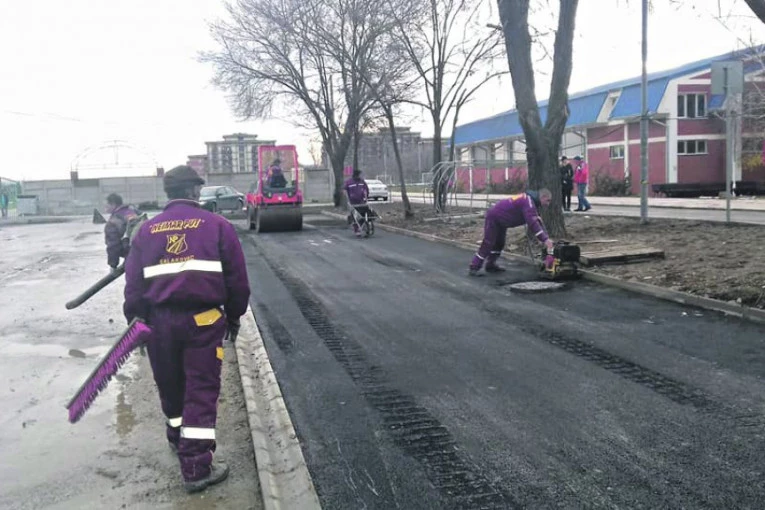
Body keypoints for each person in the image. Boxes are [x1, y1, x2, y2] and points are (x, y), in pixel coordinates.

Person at [123, 165, 251, 494]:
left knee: (170, 384)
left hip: (157, 323)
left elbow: (133, 286)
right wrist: (234, 316)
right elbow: (237, 280)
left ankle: (177, 438)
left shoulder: (146, 231)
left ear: (168, 192)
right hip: (203, 322)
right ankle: (195, 467)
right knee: (201, 391)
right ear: (195, 191)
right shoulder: (217, 226)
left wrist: (135, 320)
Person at [468, 189, 555, 276]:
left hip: (501, 220)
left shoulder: (530, 201)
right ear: (542, 197)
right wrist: (545, 239)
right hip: (494, 217)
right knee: (488, 243)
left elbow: (535, 220)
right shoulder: (528, 202)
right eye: (548, 200)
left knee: (499, 243)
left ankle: (490, 265)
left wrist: (545, 237)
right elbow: (533, 223)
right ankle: (474, 266)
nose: (548, 204)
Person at [104, 193, 141, 270]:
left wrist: (113, 265)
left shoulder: (113, 221)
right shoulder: (135, 212)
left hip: (132, 255)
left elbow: (113, 246)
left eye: (107, 205)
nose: (105, 207)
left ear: (113, 204)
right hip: (148, 251)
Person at [344, 168, 371, 237]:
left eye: (359, 175)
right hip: (352, 202)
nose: (359, 176)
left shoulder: (362, 182)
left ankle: (363, 226)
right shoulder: (349, 182)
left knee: (362, 214)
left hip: (361, 201)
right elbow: (345, 191)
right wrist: (347, 200)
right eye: (358, 175)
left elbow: (366, 190)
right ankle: (356, 229)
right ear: (354, 175)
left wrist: (366, 198)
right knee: (355, 216)